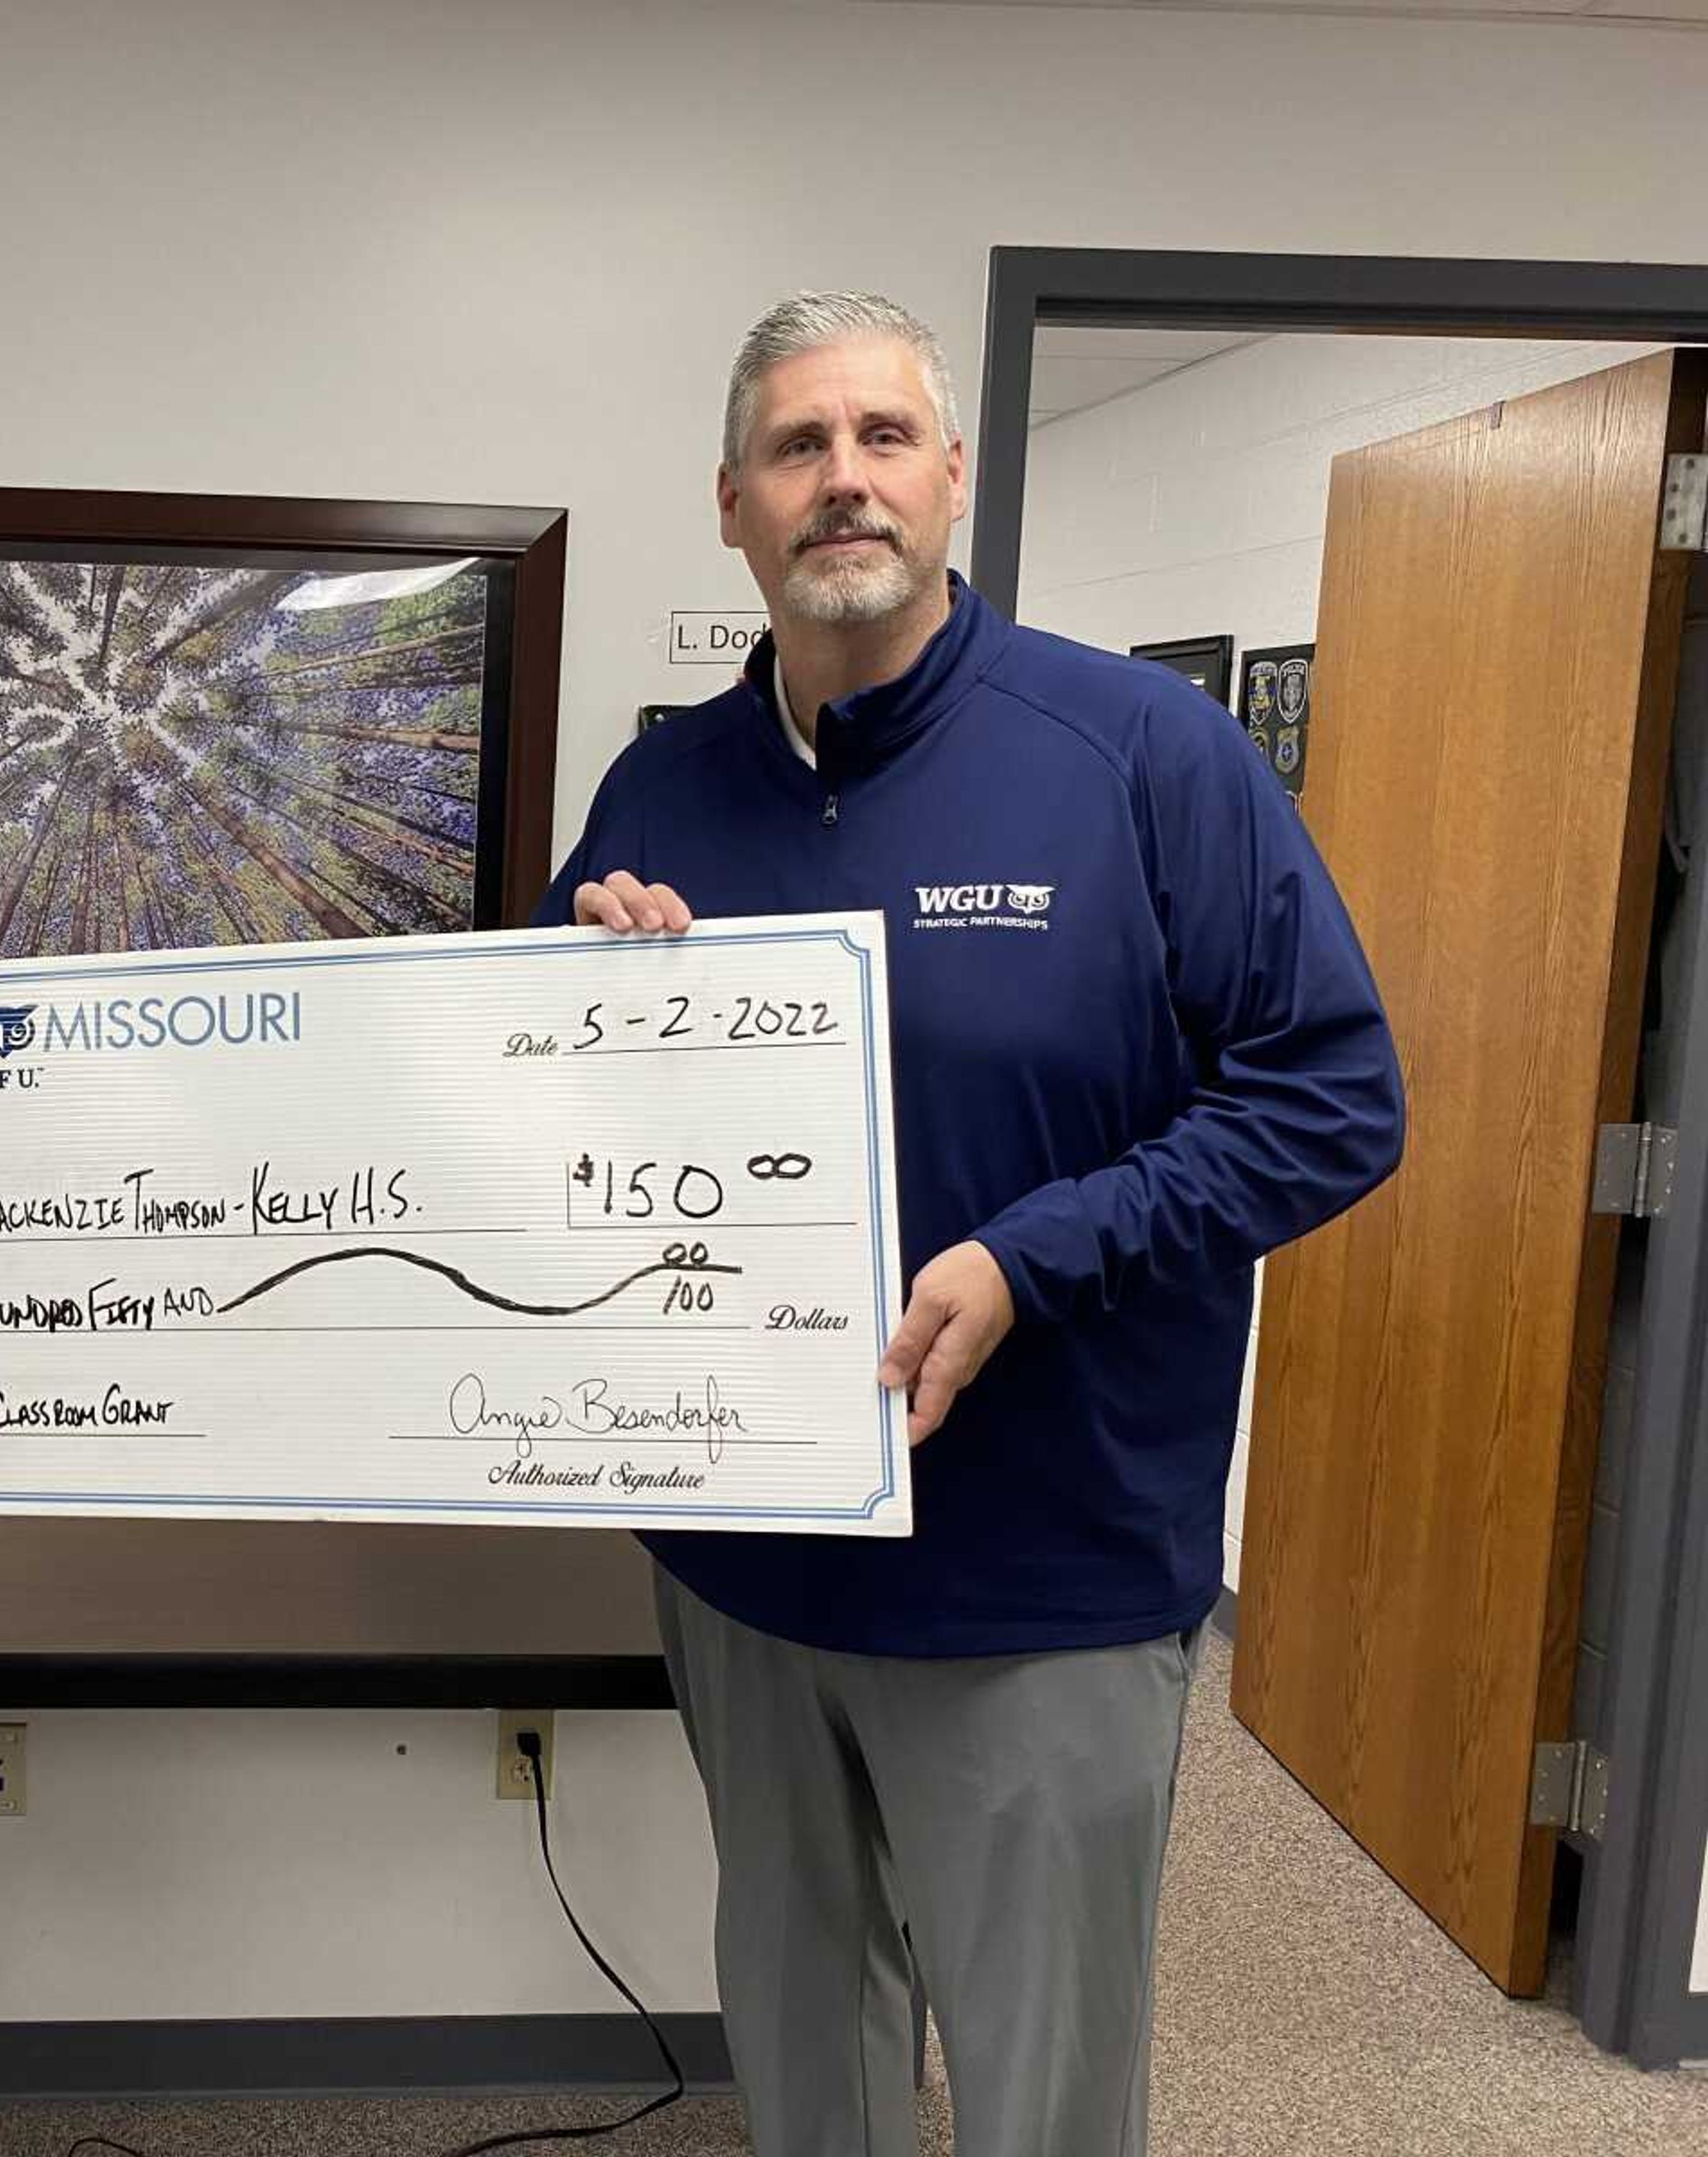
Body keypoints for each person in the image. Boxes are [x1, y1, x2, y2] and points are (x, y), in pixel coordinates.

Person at [543, 292, 1405, 2156]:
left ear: (949, 478)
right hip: (752, 1563)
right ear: (731, 503)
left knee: (1039, 2082)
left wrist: (1035, 1255)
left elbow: (1336, 1099)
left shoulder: (1146, 756)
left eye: (878, 439)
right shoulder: (658, 787)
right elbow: (540, 1117)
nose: (840, 479)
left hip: (1047, 1576)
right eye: (796, 446)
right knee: (801, 2032)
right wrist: (588, 1001)